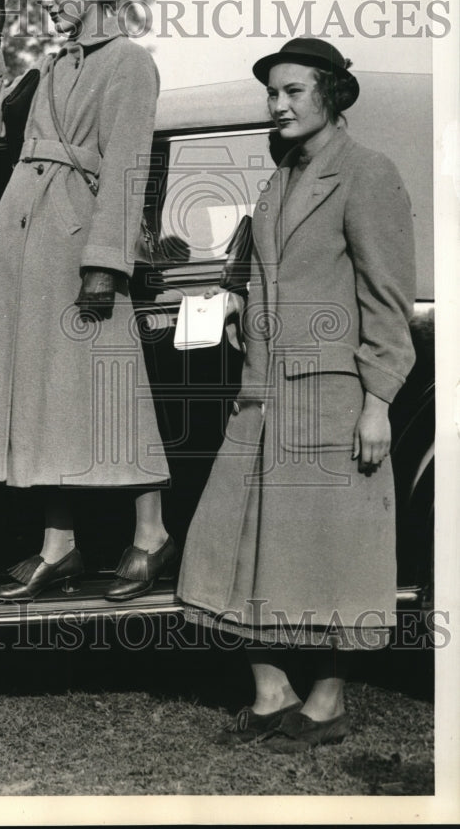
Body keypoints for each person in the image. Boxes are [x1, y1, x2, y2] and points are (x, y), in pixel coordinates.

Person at [178, 38, 416, 751]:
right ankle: (270, 690)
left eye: (291, 93)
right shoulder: (278, 179)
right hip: (261, 395)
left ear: (330, 96)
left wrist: (377, 402)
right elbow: (256, 270)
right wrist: (233, 309)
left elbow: (386, 299)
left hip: (330, 395)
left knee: (336, 556)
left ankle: (327, 699)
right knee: (228, 544)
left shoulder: (367, 174)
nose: (275, 106)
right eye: (271, 93)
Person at [0, 0, 173, 602]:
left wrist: (104, 265)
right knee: (43, 396)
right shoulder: (54, 66)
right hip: (26, 253)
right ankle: (60, 544)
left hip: (78, 248)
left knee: (110, 397)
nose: (46, 2)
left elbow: (127, 171)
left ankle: (151, 534)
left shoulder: (129, 62)